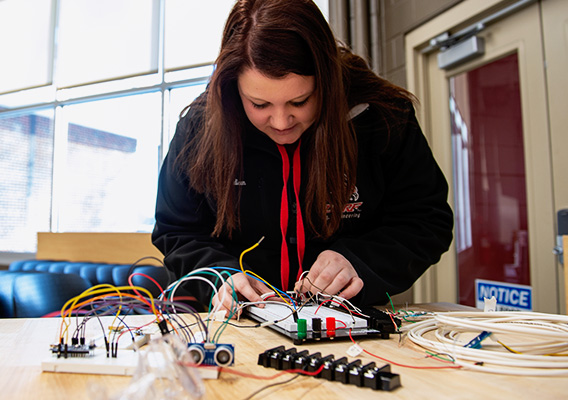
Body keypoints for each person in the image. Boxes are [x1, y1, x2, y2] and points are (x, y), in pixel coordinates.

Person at [152, 0, 453, 314]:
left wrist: (359, 262)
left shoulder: (381, 118)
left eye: (300, 101)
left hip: (349, 328)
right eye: (259, 104)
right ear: (233, 86)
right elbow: (177, 233)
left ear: (325, 81)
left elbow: (426, 221)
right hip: (238, 326)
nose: (282, 122)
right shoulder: (200, 129)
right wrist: (220, 278)